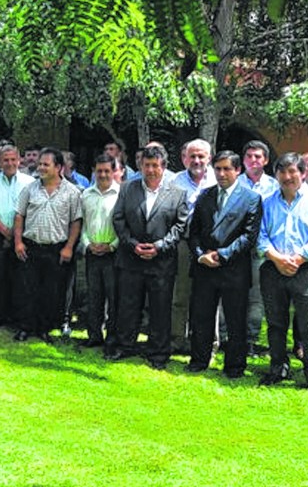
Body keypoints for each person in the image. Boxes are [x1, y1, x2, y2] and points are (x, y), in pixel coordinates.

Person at [257, 152, 308, 400]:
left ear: (302, 173)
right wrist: (278, 259)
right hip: (273, 269)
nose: (287, 177)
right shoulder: (267, 202)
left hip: (307, 270)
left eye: (292, 171)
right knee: (276, 324)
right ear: (276, 174)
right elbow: (260, 235)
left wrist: (298, 259)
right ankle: (278, 367)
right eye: (282, 171)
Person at [107, 145, 188, 369]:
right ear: (141, 166)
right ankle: (125, 346)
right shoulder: (127, 188)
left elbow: (180, 226)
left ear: (164, 167)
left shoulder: (178, 193)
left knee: (160, 309)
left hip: (161, 262)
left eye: (155, 165)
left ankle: (158, 353)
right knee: (128, 305)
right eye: (146, 165)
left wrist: (160, 246)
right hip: (131, 258)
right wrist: (132, 245)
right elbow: (118, 219)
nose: (150, 170)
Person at [184, 151, 261, 377]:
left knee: (236, 319)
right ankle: (199, 359)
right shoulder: (205, 195)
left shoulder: (251, 198)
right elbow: (194, 232)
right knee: (201, 316)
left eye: (227, 169)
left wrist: (222, 255)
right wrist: (201, 255)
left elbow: (249, 236)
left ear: (238, 170)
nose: (221, 173)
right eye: (217, 169)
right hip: (204, 268)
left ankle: (234, 366)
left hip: (234, 269)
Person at [13, 148, 82, 342]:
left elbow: (75, 222)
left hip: (56, 248)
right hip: (31, 246)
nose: (41, 167)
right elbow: (19, 216)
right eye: (40, 164)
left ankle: (44, 328)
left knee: (51, 291)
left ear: (58, 167)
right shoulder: (30, 189)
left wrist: (69, 247)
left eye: (46, 164)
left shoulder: (72, 192)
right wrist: (18, 242)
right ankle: (25, 327)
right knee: (28, 289)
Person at [170, 139, 216, 354]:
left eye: (201, 156)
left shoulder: (218, 179)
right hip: (182, 243)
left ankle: (208, 343)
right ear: (184, 158)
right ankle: (176, 340)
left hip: (210, 246)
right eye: (192, 156)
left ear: (209, 158)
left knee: (209, 297)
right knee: (180, 295)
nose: (196, 160)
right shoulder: (175, 181)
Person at [0, 144, 35, 328]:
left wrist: (17, 233)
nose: (10, 163)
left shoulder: (30, 183)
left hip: (23, 237)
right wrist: (4, 230)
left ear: (19, 160)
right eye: (6, 160)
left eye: (13, 159)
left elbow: (33, 209)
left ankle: (17, 317)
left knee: (20, 278)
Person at [239, 140, 280, 358]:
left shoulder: (274, 186)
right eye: (249, 156)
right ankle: (227, 337)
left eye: (258, 156)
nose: (253, 160)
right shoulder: (235, 182)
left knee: (256, 297)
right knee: (232, 293)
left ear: (265, 160)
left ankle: (250, 340)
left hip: (261, 249)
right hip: (236, 248)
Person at [79, 154, 121, 348]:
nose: (103, 175)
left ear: (114, 172)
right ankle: (94, 335)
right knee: (94, 296)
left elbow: (124, 226)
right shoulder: (86, 195)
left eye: (107, 171)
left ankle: (112, 336)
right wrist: (88, 244)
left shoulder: (121, 195)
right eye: (99, 171)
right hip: (92, 252)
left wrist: (111, 245)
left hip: (113, 253)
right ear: (94, 172)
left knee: (113, 297)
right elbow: (83, 225)